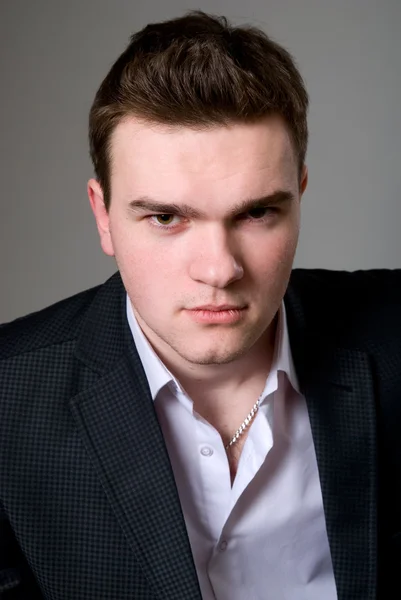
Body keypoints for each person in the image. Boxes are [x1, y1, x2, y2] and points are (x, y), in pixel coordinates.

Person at [0, 10, 400, 600]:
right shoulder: (8, 401)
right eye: (166, 217)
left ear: (300, 195)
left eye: (257, 212)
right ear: (102, 215)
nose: (219, 269)